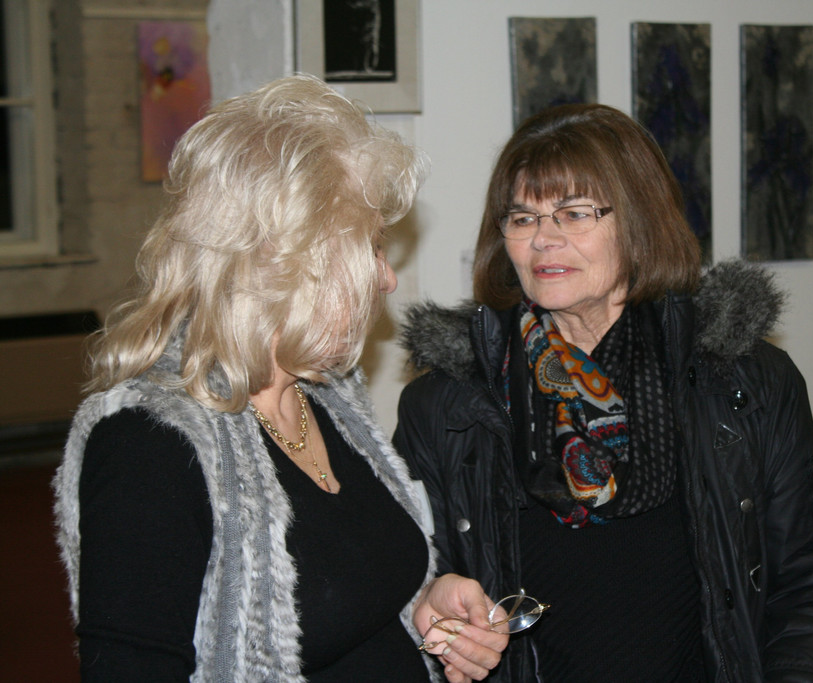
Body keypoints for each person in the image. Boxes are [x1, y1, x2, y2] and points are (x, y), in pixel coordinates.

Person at [393, 103, 813, 682]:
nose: (543, 239)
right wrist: (435, 618)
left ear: (641, 224)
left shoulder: (743, 383)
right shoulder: (447, 406)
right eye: (522, 218)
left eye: (574, 213)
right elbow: (403, 589)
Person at [52, 74, 506, 682]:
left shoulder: (329, 397)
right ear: (286, 259)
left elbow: (344, 594)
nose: (387, 277)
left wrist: (424, 603)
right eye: (371, 247)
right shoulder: (148, 442)